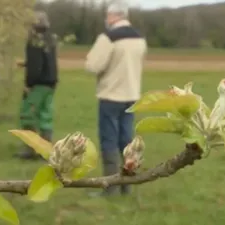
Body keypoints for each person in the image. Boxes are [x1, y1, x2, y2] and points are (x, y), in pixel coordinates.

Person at [85, 3, 147, 196]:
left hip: (111, 95)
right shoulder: (139, 38)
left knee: (109, 141)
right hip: (132, 95)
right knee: (127, 142)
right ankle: (126, 186)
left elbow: (92, 66)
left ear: (112, 16)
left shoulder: (109, 38)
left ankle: (110, 188)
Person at [14, 11, 58, 160]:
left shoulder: (33, 40)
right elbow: (44, 62)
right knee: (45, 116)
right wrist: (26, 64)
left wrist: (28, 84)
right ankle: (46, 150)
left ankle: (30, 149)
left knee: (28, 115)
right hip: (51, 83)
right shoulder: (50, 39)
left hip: (37, 84)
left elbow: (35, 66)